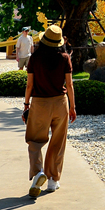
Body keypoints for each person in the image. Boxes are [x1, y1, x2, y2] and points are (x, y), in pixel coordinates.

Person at [23, 24, 76, 197]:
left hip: (40, 103)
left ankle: (38, 172)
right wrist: (72, 107)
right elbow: (69, 84)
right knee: (58, 141)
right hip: (60, 102)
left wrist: (26, 104)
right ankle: (53, 180)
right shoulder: (65, 57)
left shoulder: (35, 58)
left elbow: (29, 85)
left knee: (35, 140)